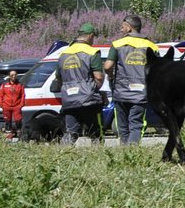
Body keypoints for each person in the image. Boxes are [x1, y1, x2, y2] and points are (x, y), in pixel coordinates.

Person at [105, 14, 159, 145]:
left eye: (122, 27)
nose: (121, 29)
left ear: (129, 28)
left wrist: (111, 76)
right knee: (136, 125)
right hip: (141, 93)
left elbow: (107, 66)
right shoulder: (151, 46)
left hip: (121, 92)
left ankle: (125, 151)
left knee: (122, 127)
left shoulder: (117, 44)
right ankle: (132, 151)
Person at [56, 22, 107, 145]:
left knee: (71, 132)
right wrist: (95, 89)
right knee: (96, 132)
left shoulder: (63, 54)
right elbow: (99, 77)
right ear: (89, 36)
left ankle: (63, 154)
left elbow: (58, 78)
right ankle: (98, 156)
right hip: (88, 99)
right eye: (93, 37)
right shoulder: (91, 52)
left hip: (69, 99)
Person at [0, 69, 24, 140]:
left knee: (18, 120)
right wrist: (1, 104)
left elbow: (23, 95)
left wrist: (21, 104)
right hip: (6, 106)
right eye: (12, 75)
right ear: (9, 76)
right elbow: (0, 95)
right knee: (7, 121)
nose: (14, 76)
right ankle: (9, 135)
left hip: (16, 106)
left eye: (15, 75)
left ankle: (19, 134)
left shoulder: (20, 85)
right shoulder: (4, 85)